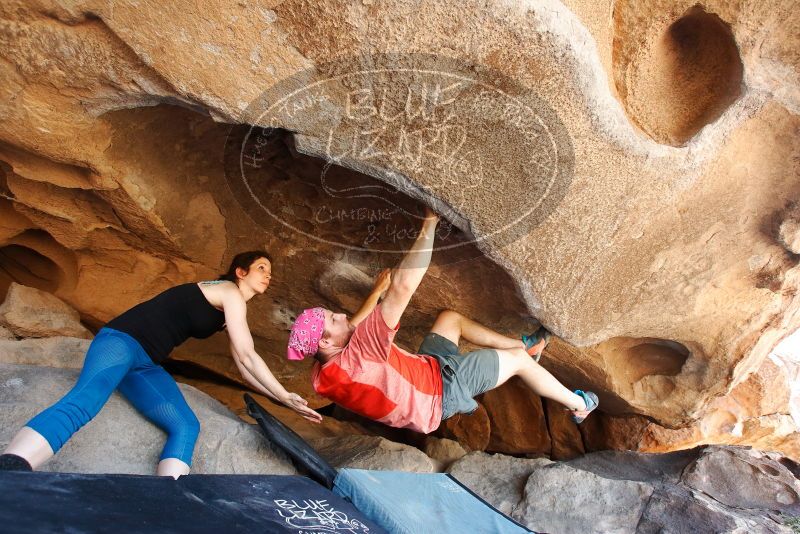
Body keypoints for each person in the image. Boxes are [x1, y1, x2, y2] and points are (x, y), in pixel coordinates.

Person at [0, 251, 321, 478]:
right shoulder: (228, 291)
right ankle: (13, 465)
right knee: (85, 402)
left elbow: (243, 363)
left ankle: (168, 492)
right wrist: (283, 395)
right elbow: (249, 354)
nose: (269, 274)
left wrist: (284, 398)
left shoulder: (231, 311)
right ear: (241, 272)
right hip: (120, 342)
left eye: (270, 270)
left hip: (144, 366)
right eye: (262, 267)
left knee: (186, 425)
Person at [285, 209, 598, 434]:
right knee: (517, 364)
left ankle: (525, 345)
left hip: (426, 373)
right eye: (332, 317)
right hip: (441, 392)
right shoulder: (360, 353)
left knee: (450, 320)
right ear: (325, 341)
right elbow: (404, 286)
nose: (341, 314)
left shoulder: (324, 370)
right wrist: (430, 222)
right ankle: (578, 404)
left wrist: (374, 294)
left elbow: (350, 331)